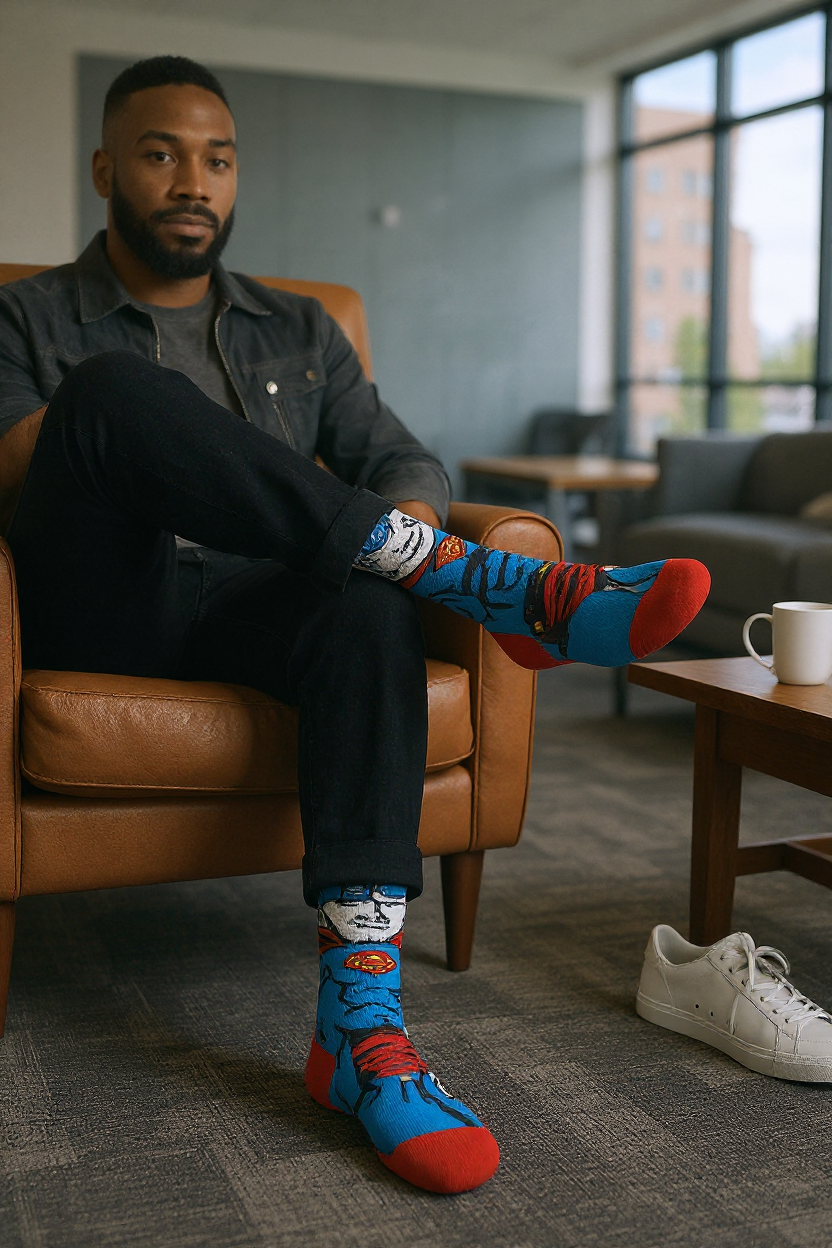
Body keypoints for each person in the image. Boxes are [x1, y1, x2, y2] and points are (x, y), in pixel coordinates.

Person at [0, 56, 709, 1194]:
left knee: (369, 599)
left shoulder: (301, 328)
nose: (194, 180)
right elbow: (15, 471)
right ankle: (493, 588)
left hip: (255, 598)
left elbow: (399, 458)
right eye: (161, 152)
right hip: (104, 605)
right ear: (104, 170)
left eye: (217, 158)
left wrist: (399, 528)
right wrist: (137, 432)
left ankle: (358, 1028)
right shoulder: (26, 313)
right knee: (109, 394)